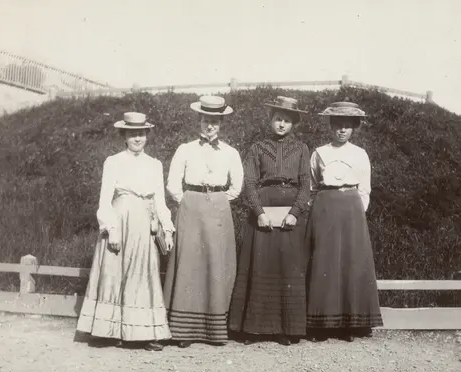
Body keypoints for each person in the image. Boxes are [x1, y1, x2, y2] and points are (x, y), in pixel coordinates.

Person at [76, 112, 175, 351]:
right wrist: (111, 228)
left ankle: (142, 333)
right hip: (120, 219)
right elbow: (104, 201)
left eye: (141, 133)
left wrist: (167, 228)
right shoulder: (113, 162)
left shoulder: (155, 164)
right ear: (124, 136)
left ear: (147, 135)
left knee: (142, 275)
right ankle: (110, 331)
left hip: (144, 223)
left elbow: (160, 201)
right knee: (114, 272)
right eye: (132, 134)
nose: (137, 138)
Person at [229, 96, 311, 346]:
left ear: (293, 123)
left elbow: (305, 185)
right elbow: (250, 183)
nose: (281, 124)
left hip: (290, 215)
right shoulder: (257, 148)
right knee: (260, 267)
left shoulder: (301, 149)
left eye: (287, 120)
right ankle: (253, 328)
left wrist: (295, 212)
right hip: (263, 213)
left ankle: (284, 329)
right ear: (270, 120)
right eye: (278, 119)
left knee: (287, 269)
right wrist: (259, 212)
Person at [164, 95, 244, 348]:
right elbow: (172, 183)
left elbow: (237, 187)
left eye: (215, 122)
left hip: (218, 207)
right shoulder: (185, 149)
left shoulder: (230, 152)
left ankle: (215, 331)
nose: (210, 126)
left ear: (221, 123)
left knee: (215, 263)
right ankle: (183, 331)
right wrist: (188, 201)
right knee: (189, 263)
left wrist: (217, 200)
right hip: (191, 204)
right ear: (199, 121)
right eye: (206, 120)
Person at [306, 100, 383, 342]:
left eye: (347, 126)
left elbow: (365, 188)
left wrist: (357, 213)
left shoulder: (360, 154)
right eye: (338, 125)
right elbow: (312, 186)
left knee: (352, 262)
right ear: (330, 126)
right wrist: (318, 210)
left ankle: (352, 324)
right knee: (325, 262)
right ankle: (322, 324)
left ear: (353, 128)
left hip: (351, 208)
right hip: (325, 206)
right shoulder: (319, 153)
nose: (342, 130)